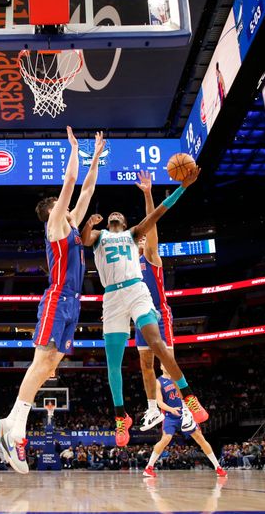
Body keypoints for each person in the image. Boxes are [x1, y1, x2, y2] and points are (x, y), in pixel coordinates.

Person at [0, 128, 105, 474]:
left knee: (52, 364)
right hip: (57, 298)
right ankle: (15, 428)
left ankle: (9, 422)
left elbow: (86, 189)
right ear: (52, 209)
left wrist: (96, 156)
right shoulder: (56, 224)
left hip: (74, 302)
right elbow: (71, 181)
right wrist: (75, 149)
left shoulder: (72, 225)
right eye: (61, 203)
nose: (68, 205)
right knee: (42, 361)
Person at [82, 168, 208, 446]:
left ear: (125, 222)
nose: (114, 215)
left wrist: (183, 187)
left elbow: (159, 213)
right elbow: (83, 238)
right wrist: (90, 223)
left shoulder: (133, 234)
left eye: (119, 215)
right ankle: (120, 417)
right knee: (113, 363)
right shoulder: (100, 237)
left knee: (157, 344)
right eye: (111, 215)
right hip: (112, 298)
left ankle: (189, 396)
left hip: (137, 291)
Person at [132, 171, 176, 432]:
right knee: (145, 365)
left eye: (145, 236)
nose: (143, 238)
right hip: (140, 318)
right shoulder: (130, 268)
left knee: (168, 366)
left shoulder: (151, 257)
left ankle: (184, 410)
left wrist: (148, 194)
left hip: (159, 314)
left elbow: (152, 225)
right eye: (140, 236)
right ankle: (152, 410)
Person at [143, 361, 226, 478]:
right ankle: (149, 467)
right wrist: (171, 409)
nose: (166, 365)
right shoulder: (158, 382)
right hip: (170, 415)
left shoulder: (178, 376)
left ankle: (218, 467)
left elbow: (188, 395)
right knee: (166, 439)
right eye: (164, 364)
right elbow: (159, 403)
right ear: (161, 366)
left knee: (200, 438)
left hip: (185, 414)